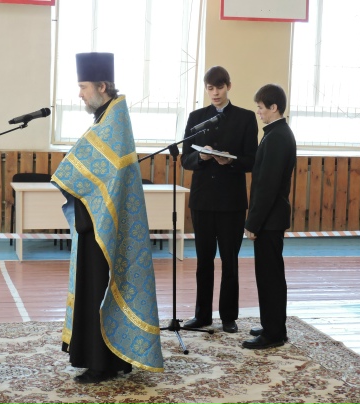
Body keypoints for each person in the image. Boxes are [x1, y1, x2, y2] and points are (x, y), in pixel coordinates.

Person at [51, 52, 164, 383]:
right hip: (95, 219)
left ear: (102, 86)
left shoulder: (113, 121)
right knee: (96, 286)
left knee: (99, 286)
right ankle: (109, 359)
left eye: (84, 87)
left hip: (104, 225)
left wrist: (71, 174)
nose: (80, 94)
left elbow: (87, 167)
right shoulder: (107, 117)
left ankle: (102, 363)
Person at [181, 66, 258, 333]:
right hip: (202, 200)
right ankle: (202, 315)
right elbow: (185, 159)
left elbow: (252, 160)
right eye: (210, 88)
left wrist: (230, 161)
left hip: (231, 202)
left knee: (229, 261)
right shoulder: (196, 118)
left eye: (220, 87)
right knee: (203, 261)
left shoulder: (245, 118)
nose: (215, 93)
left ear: (229, 87)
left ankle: (228, 317)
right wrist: (200, 157)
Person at [242, 84, 296, 349]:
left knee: (270, 276)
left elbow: (267, 186)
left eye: (261, 107)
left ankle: (274, 333)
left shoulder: (277, 137)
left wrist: (253, 223)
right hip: (270, 217)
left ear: (274, 107)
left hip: (269, 219)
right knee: (268, 275)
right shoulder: (275, 133)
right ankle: (273, 325)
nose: (258, 112)